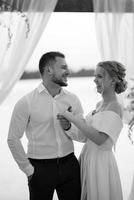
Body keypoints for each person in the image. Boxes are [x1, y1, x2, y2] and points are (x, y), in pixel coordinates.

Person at [7, 51, 83, 200]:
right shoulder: (26, 102)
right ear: (49, 70)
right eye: (63, 67)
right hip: (40, 170)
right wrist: (29, 170)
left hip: (70, 166)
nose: (68, 71)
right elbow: (13, 139)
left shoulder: (73, 100)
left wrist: (68, 127)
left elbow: (83, 136)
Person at [58, 61, 127, 200]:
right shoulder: (99, 105)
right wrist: (68, 127)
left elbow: (100, 139)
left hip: (100, 164)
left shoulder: (115, 107)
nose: (95, 80)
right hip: (87, 159)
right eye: (95, 76)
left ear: (113, 80)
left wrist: (73, 118)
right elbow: (85, 137)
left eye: (100, 76)